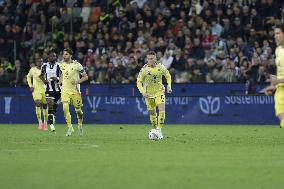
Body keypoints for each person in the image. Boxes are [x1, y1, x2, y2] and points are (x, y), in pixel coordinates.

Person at [136, 51, 172, 139]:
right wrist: (143, 92)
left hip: (159, 92)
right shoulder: (144, 69)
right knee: (152, 113)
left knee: (161, 110)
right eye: (148, 59)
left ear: (155, 58)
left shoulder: (160, 67)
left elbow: (168, 75)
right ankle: (155, 129)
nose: (150, 60)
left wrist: (169, 86)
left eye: (151, 58)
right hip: (148, 95)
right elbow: (138, 82)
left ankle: (159, 130)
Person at [59, 48, 88, 136]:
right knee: (65, 107)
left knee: (78, 111)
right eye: (64, 54)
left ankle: (80, 126)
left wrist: (76, 82)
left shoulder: (77, 65)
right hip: (65, 90)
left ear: (71, 55)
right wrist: (60, 81)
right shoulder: (61, 65)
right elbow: (62, 75)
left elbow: (85, 77)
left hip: (75, 91)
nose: (64, 56)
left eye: (66, 54)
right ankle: (70, 127)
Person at [264, 24, 284, 128]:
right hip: (280, 91)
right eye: (274, 33)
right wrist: (273, 86)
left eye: (278, 33)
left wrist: (278, 81)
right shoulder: (278, 50)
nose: (275, 36)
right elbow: (279, 71)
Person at [40, 51, 61, 132]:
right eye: (51, 56)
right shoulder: (44, 66)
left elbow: (64, 76)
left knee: (55, 105)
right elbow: (41, 75)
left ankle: (52, 115)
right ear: (48, 57)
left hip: (58, 89)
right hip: (48, 88)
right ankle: (51, 125)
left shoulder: (60, 65)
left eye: (54, 56)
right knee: (50, 103)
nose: (53, 57)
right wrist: (44, 81)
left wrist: (57, 79)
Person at [27, 58, 48, 130]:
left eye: (41, 61)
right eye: (39, 61)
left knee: (45, 106)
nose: (40, 62)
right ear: (36, 62)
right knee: (38, 103)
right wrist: (30, 86)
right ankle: (40, 122)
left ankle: (45, 123)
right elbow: (28, 77)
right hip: (36, 90)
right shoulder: (33, 70)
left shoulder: (46, 69)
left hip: (45, 90)